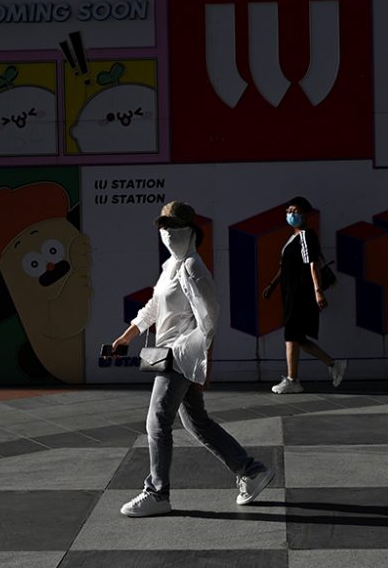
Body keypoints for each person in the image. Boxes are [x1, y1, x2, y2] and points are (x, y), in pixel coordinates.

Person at [110, 200, 275, 517]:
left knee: (157, 421)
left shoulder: (192, 268)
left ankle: (157, 493)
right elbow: (155, 307)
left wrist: (204, 364)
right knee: (196, 421)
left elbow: (209, 321)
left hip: (181, 355)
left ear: (188, 230)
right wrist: (127, 336)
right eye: (162, 225)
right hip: (169, 352)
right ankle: (251, 471)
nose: (165, 231)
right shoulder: (171, 266)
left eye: (171, 226)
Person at [263, 196, 347, 394]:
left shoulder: (306, 236)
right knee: (298, 338)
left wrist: (318, 291)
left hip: (301, 294)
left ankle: (292, 380)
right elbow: (284, 267)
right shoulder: (294, 237)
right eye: (289, 211)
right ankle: (334, 364)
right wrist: (273, 285)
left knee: (291, 335)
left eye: (296, 211)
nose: (291, 215)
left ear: (306, 214)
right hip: (290, 294)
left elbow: (313, 264)